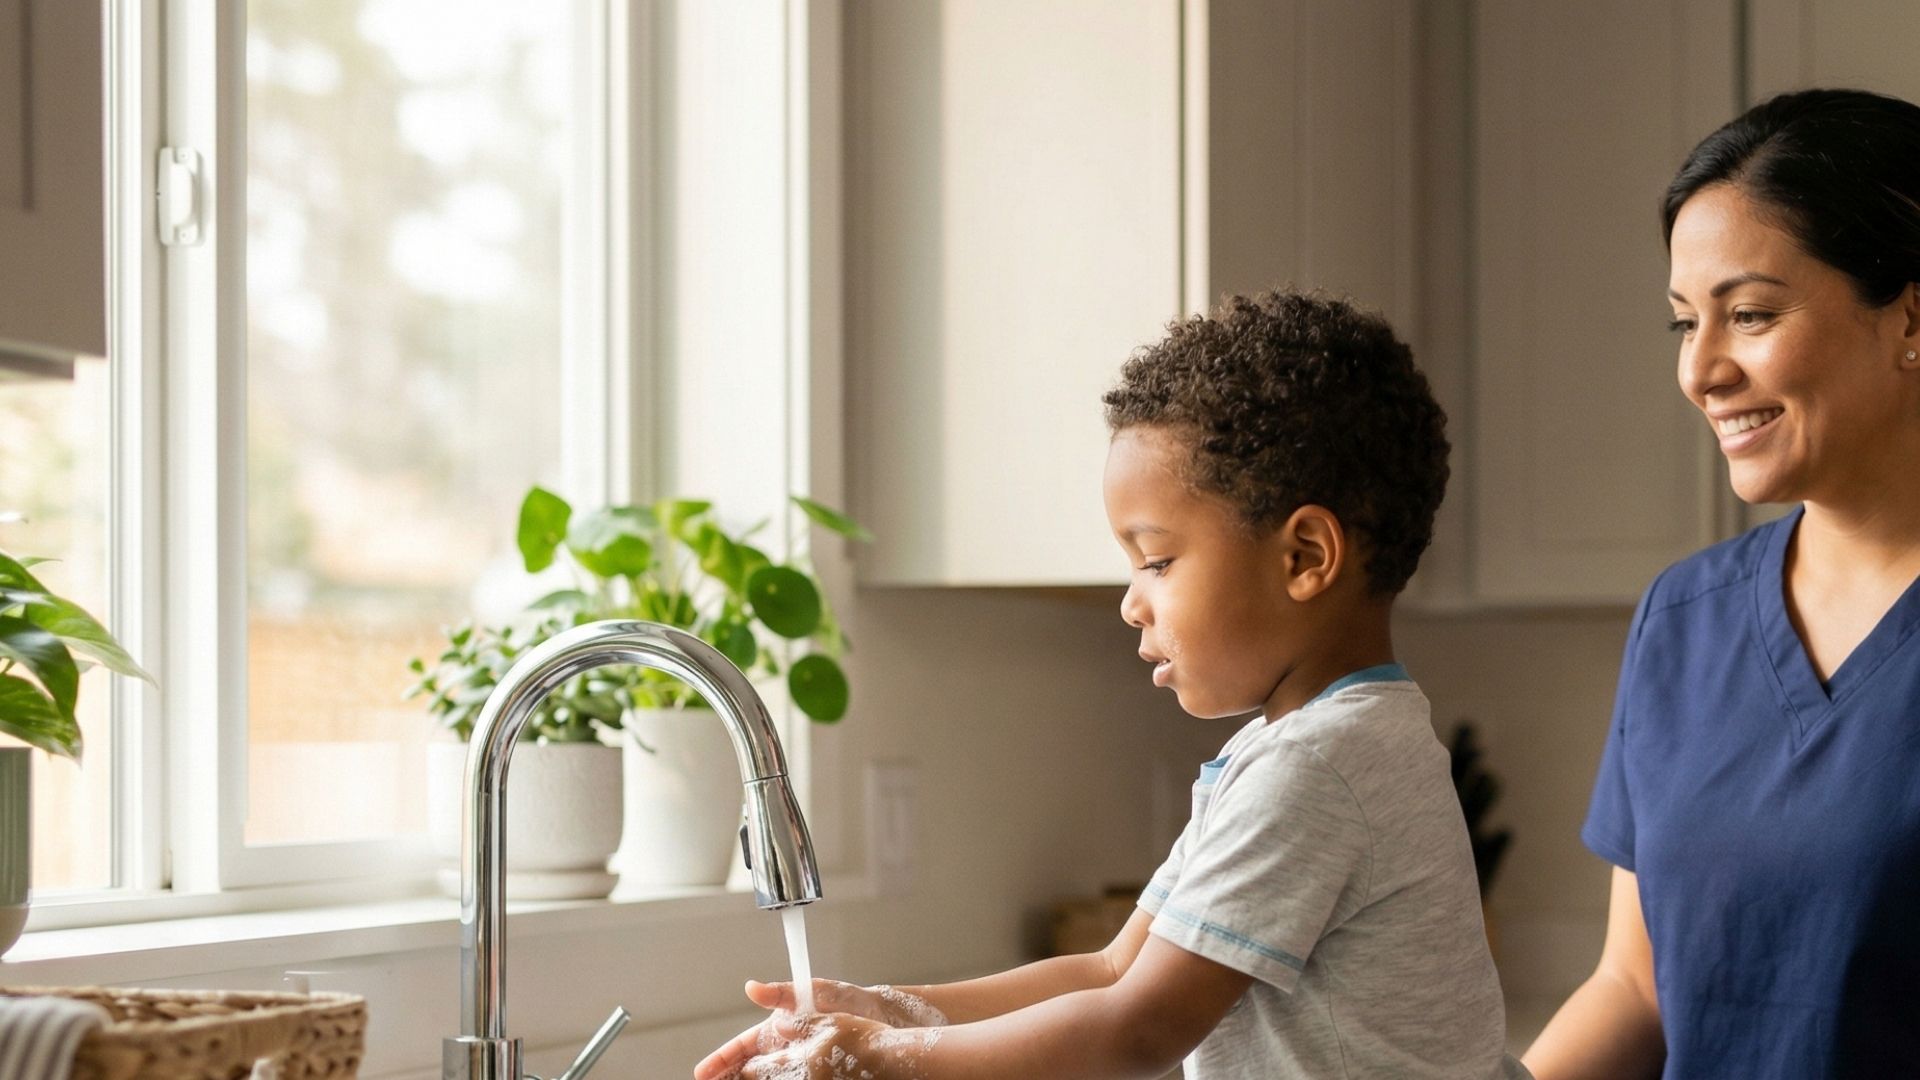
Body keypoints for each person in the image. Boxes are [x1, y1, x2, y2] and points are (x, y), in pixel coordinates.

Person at [694, 289, 1526, 1079]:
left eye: (1158, 560)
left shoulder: (1317, 767)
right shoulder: (1313, 744)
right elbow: (1110, 968)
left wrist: (882, 1058)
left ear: (1305, 557)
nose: (1133, 603)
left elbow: (1138, 1027)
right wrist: (893, 1011)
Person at [1522, 88, 1920, 1080]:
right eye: (1681, 324)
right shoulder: (1682, 620)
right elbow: (1635, 991)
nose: (1700, 370)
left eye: (1748, 315)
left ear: (1910, 317)